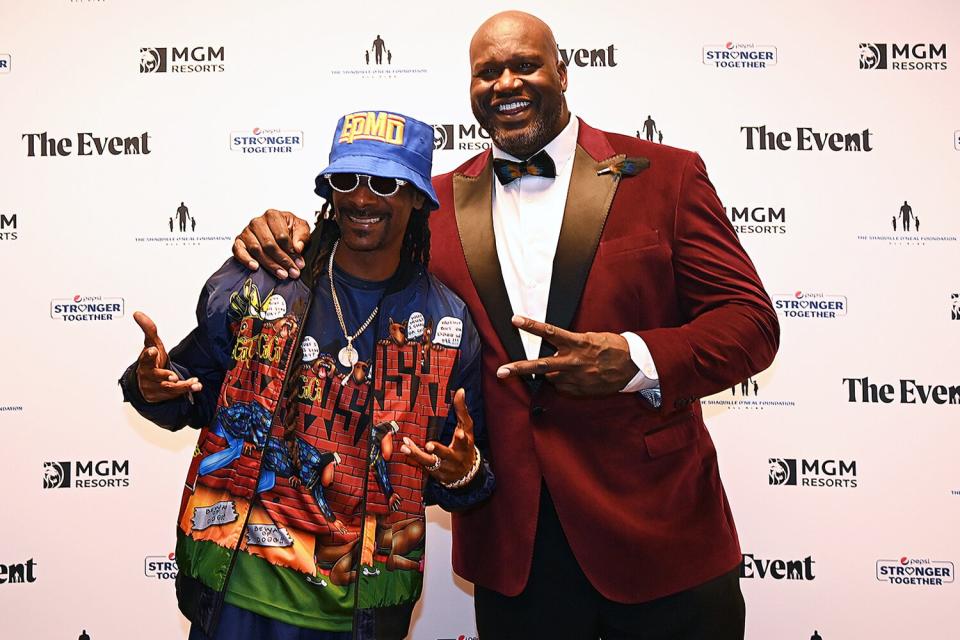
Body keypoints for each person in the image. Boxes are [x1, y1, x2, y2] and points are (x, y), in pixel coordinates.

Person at [233, 11, 779, 639]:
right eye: (486, 72)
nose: (505, 83)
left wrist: (636, 359)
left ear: (564, 73)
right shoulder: (428, 204)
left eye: (525, 65)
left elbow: (751, 324)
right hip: (512, 549)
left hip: (660, 531)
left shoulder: (667, 176)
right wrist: (277, 233)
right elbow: (346, 250)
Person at [120, 110, 494, 640]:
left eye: (385, 183)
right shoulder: (264, 282)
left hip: (356, 609)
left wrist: (461, 471)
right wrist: (149, 384)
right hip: (234, 591)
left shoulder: (446, 324)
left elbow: (466, 479)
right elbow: (188, 393)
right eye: (346, 180)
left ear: (417, 199)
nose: (361, 199)